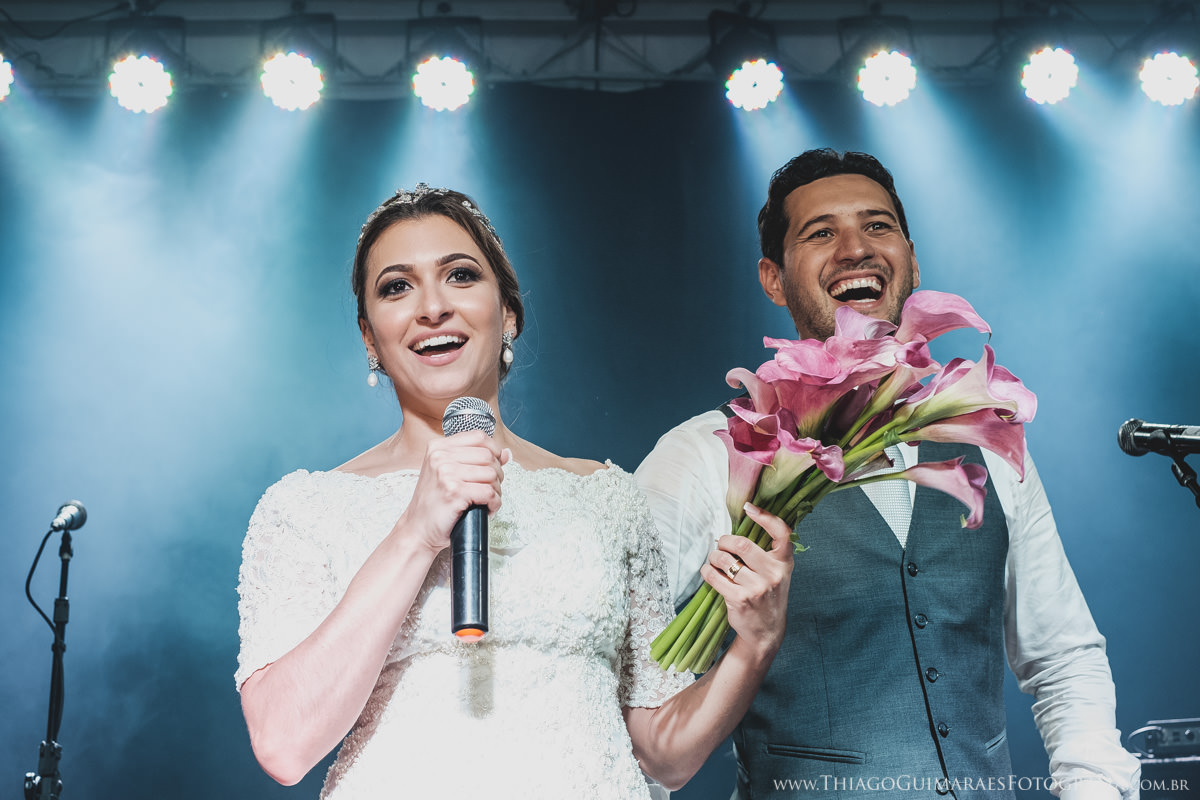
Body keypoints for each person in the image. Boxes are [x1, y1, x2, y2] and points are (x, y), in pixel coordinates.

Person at [234, 184, 794, 799]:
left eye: (460, 275)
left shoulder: (606, 498)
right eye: (397, 286)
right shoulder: (306, 510)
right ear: (370, 337)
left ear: (508, 314)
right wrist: (416, 532)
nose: (431, 307)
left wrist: (754, 644)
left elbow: (664, 755)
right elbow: (284, 744)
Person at [635, 149, 1142, 799]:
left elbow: (1064, 657)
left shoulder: (980, 439)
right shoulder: (707, 453)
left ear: (911, 259)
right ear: (773, 278)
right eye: (821, 233)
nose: (855, 248)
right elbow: (630, 685)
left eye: (877, 226)